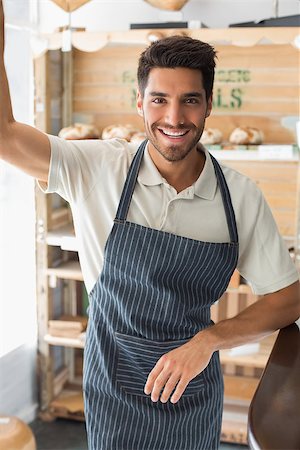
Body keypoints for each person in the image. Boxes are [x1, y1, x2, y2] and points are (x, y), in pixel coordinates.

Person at [1, 2, 299, 449]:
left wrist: (209, 341)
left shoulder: (239, 197)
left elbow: (288, 297)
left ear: (209, 105)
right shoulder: (99, 168)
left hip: (193, 397)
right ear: (139, 101)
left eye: (190, 101)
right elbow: (5, 135)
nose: (174, 119)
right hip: (113, 396)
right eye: (159, 100)